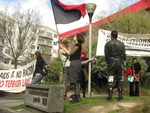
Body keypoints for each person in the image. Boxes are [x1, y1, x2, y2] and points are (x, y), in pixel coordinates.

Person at [60, 34, 84, 103]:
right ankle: (77, 96)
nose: (73, 37)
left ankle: (77, 97)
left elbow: (70, 53)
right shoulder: (76, 45)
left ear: (77, 38)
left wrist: (62, 47)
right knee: (75, 80)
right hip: (75, 63)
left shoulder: (78, 45)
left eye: (74, 36)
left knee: (75, 80)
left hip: (75, 63)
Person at [104, 30, 126, 102]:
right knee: (120, 79)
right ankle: (120, 96)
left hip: (111, 63)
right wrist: (124, 65)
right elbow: (124, 55)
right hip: (119, 62)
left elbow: (106, 55)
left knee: (110, 78)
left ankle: (110, 96)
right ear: (117, 36)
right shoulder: (121, 44)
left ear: (111, 36)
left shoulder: (107, 44)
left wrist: (107, 62)